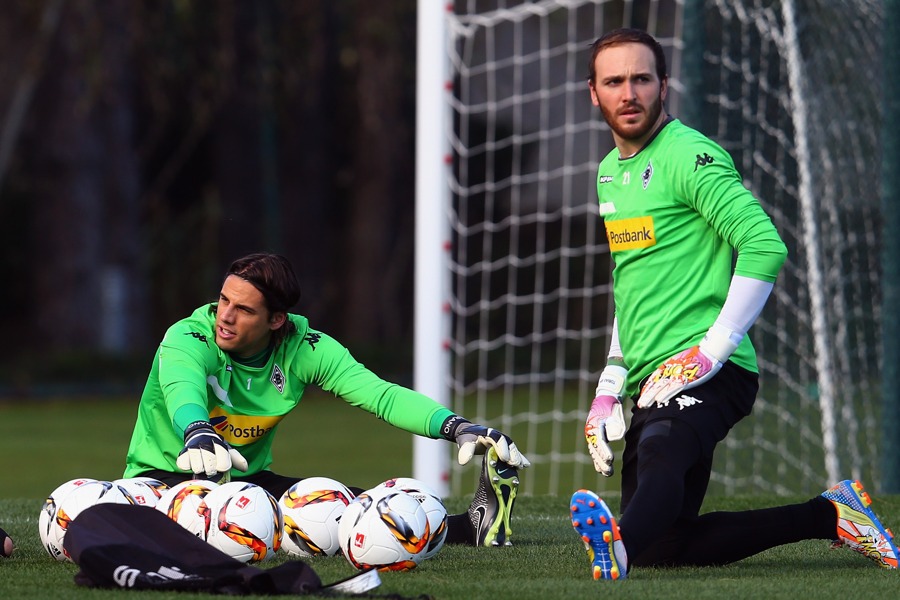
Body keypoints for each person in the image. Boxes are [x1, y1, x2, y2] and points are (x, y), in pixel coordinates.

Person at [569, 27, 899, 580]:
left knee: (661, 453)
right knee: (665, 544)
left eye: (642, 79)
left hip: (714, 371)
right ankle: (831, 515)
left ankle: (615, 548)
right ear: (593, 92)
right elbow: (633, 284)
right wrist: (609, 384)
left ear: (664, 85)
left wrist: (709, 353)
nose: (629, 93)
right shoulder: (610, 173)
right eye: (615, 81)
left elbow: (765, 247)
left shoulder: (689, 155)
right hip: (653, 375)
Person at [124, 251, 529, 548]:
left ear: (275, 320)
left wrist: (456, 426)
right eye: (223, 301)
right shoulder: (188, 336)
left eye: (243, 309)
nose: (224, 317)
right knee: (143, 532)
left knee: (358, 510)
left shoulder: (304, 346)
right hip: (159, 480)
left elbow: (380, 395)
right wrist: (197, 431)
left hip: (247, 482)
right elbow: (183, 386)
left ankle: (471, 527)